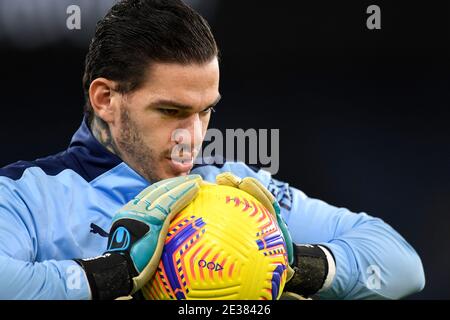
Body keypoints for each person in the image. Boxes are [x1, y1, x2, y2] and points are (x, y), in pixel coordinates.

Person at [0, 0, 424, 300]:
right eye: (171, 111)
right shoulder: (24, 194)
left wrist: (293, 263)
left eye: (205, 112)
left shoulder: (235, 192)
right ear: (106, 99)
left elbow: (402, 264)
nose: (192, 134)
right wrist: (115, 274)